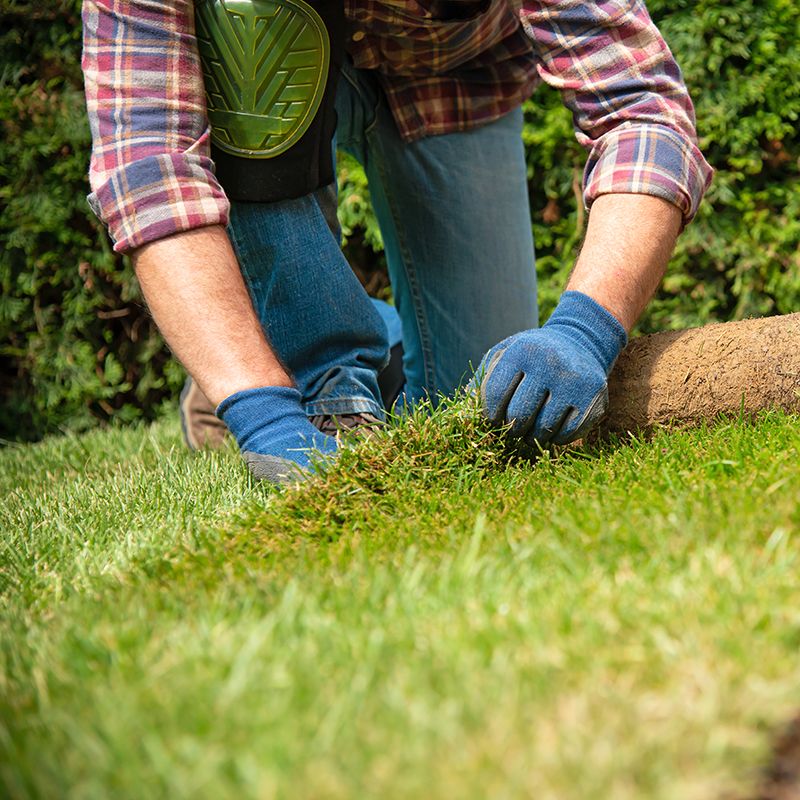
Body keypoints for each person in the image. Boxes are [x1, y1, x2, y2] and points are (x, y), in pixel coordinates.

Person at [82, 0, 712, 482]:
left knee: (477, 401)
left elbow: (643, 110)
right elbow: (150, 167)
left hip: (451, 75)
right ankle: (316, 370)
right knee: (241, 27)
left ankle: (322, 331)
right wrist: (259, 410)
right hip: (256, 62)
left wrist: (583, 332)